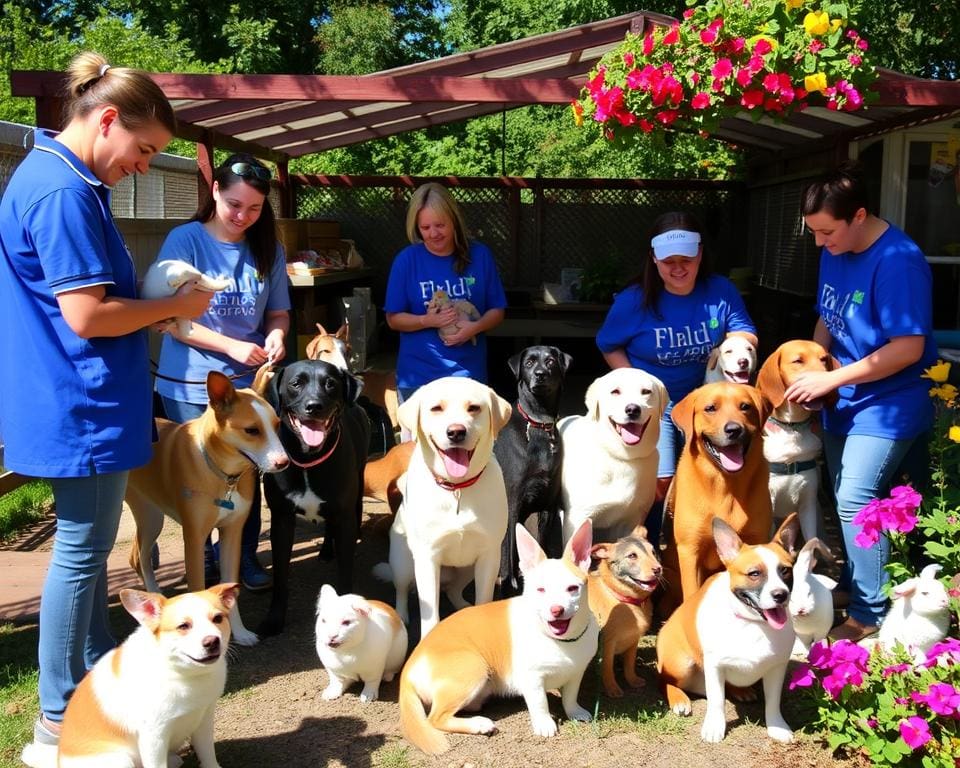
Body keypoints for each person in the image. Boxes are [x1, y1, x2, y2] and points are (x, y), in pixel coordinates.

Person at [0, 51, 214, 768]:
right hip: (77, 403)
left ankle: (94, 683)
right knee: (81, 554)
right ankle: (60, 720)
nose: (147, 166)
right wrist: (176, 306)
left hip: (86, 400)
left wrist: (154, 312)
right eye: (145, 149)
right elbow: (88, 316)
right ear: (109, 119)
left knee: (87, 556)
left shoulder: (69, 181)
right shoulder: (61, 192)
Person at [784, 163, 936, 643]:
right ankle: (856, 583)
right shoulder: (836, 246)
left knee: (854, 500)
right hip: (843, 395)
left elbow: (907, 348)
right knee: (846, 493)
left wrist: (833, 379)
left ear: (859, 216)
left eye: (826, 231)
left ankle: (870, 613)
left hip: (890, 400)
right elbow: (827, 315)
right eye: (813, 232)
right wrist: (815, 368)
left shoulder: (898, 260)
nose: (819, 243)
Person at [152, 152, 291, 591]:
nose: (243, 216)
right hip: (189, 383)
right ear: (214, 190)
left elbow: (279, 312)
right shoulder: (185, 239)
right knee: (194, 483)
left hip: (248, 386)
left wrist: (277, 336)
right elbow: (171, 318)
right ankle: (203, 560)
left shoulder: (268, 248)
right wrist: (230, 344)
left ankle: (240, 556)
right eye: (234, 204)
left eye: (254, 209)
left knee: (244, 473)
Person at [595, 211, 758, 546]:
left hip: (707, 403)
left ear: (701, 255)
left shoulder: (720, 291)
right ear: (654, 259)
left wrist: (734, 348)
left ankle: (715, 547)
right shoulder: (633, 300)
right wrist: (634, 388)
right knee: (661, 481)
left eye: (687, 259)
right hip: (660, 408)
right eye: (669, 261)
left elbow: (746, 333)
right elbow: (608, 344)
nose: (679, 268)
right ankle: (653, 550)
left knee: (722, 471)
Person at [384, 182, 507, 403]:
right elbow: (393, 319)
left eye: (440, 225)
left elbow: (497, 310)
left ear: (454, 221)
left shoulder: (479, 255)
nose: (433, 234)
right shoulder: (407, 259)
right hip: (418, 377)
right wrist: (427, 320)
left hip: (467, 375)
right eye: (425, 227)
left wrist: (474, 328)